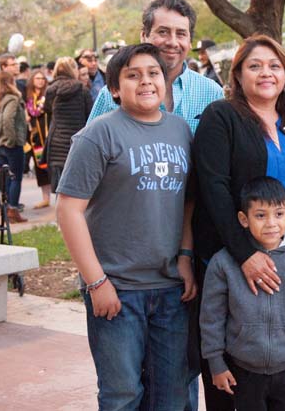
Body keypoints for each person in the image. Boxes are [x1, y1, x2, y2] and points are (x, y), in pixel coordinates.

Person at [56, 43, 196, 411]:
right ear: (115, 88)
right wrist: (96, 281)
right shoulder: (98, 135)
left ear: (164, 82)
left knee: (171, 397)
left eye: (153, 73)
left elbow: (188, 202)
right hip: (117, 290)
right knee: (122, 397)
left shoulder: (181, 130)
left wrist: (185, 254)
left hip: (170, 291)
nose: (146, 81)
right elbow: (68, 210)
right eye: (133, 75)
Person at [192, 34, 285, 410]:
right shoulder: (223, 117)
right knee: (233, 384)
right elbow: (213, 189)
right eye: (254, 66)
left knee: (280, 373)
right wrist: (245, 253)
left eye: (274, 66)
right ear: (238, 74)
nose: (265, 73)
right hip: (234, 260)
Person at [200, 176, 285, 411]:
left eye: (278, 214)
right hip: (243, 369)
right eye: (260, 215)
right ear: (243, 219)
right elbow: (212, 317)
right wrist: (216, 363)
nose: (271, 223)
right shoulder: (224, 263)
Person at [87, 0, 224, 135]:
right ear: (144, 36)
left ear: (190, 42)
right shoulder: (113, 95)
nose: (172, 42)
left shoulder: (213, 93)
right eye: (163, 32)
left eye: (181, 33)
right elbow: (88, 150)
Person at [44, 57, 92, 192]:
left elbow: (47, 110)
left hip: (56, 142)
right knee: (78, 184)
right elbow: (91, 116)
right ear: (73, 70)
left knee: (60, 184)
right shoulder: (82, 90)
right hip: (78, 140)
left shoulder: (51, 89)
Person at [0, 71, 28, 223]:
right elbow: (7, 120)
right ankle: (12, 210)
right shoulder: (12, 98)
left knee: (5, 178)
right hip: (10, 145)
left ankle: (6, 209)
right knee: (15, 178)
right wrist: (12, 140)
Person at [25, 69, 52, 208]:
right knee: (40, 167)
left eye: (42, 78)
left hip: (48, 135)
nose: (40, 80)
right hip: (35, 138)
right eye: (37, 78)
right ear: (32, 81)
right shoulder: (29, 98)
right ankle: (45, 198)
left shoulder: (48, 94)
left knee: (52, 166)